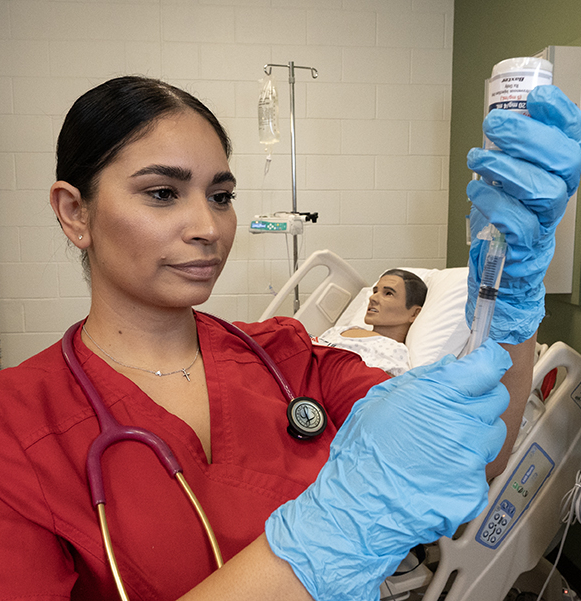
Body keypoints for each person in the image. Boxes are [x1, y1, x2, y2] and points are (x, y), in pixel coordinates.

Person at [0, 76, 579, 601]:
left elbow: (474, 456)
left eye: (221, 196)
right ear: (75, 212)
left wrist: (508, 301)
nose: (208, 228)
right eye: (162, 193)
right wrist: (331, 535)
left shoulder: (286, 356)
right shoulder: (18, 424)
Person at [314, 269, 427, 375]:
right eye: (375, 291)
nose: (372, 298)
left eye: (388, 293)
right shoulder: (338, 330)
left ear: (414, 314)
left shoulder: (393, 351)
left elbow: (379, 389)